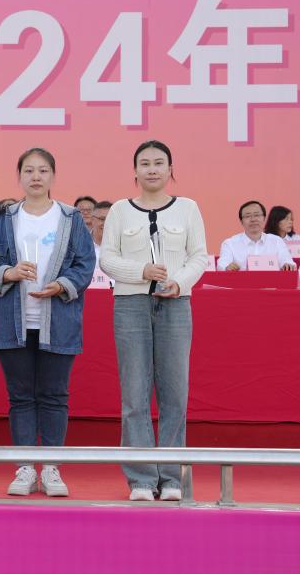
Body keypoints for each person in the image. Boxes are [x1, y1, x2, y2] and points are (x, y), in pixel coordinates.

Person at [99, 140, 207, 502]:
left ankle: (171, 476)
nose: (152, 169)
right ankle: (142, 479)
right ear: (135, 171)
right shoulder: (120, 210)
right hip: (130, 304)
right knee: (135, 394)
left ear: (170, 169)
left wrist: (180, 282)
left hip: (175, 304)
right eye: (144, 163)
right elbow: (107, 259)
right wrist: (141, 271)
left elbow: (199, 256)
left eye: (159, 162)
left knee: (175, 393)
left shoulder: (188, 208)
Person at [0, 148, 95, 497]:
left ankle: (51, 468)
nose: (35, 176)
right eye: (29, 170)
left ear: (53, 176)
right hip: (13, 321)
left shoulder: (70, 217)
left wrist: (62, 285)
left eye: (43, 170)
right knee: (20, 397)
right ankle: (24, 468)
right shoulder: (5, 218)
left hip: (57, 319)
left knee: (55, 396)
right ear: (19, 176)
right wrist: (9, 272)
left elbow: (85, 263)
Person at [217, 200, 296, 271]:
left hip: (272, 282)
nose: (253, 219)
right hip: (242, 282)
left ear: (264, 218)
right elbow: (222, 264)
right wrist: (227, 267)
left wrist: (287, 265)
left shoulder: (277, 241)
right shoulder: (230, 243)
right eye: (247, 216)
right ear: (241, 221)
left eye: (257, 215)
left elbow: (287, 260)